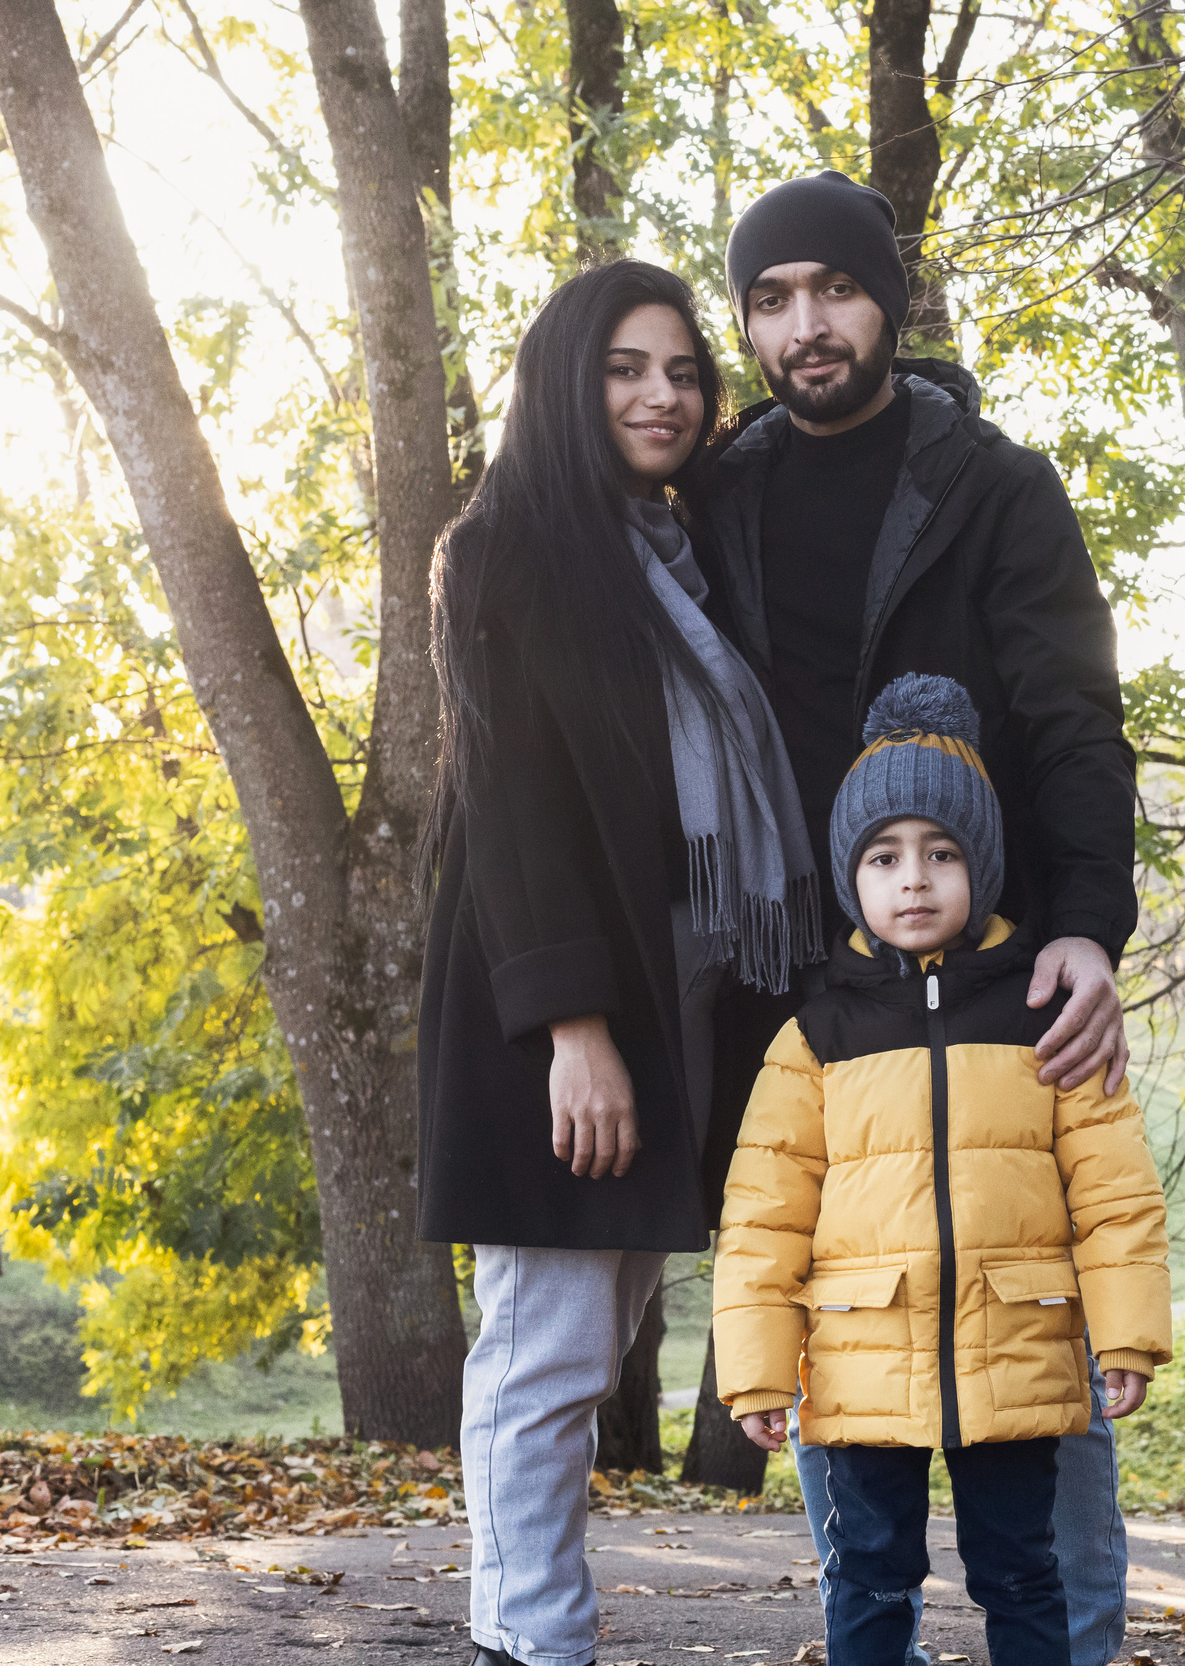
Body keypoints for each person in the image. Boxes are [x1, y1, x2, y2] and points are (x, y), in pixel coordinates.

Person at [692, 170, 1142, 1665]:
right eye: (771, 299)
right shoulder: (721, 492)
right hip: (803, 979)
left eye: (833, 289)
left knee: (1033, 1316)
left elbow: (1077, 713)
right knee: (847, 1348)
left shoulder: (995, 486)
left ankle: (1070, 1644)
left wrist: (1085, 921)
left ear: (889, 299)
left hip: (1000, 963)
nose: (805, 325)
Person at [419, 259, 822, 1666]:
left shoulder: (681, 559)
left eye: (684, 370)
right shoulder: (506, 550)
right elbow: (513, 803)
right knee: (548, 1351)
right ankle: (534, 1642)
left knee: (604, 1330)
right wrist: (572, 1028)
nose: (664, 395)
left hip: (685, 1004)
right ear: (566, 382)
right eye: (625, 368)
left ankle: (528, 1629)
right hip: (565, 1013)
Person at [711, 675, 1171, 1666]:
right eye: (884, 857)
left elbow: (1113, 1193)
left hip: (1017, 1348)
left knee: (1021, 1570)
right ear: (851, 877)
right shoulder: (817, 1037)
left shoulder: (1043, 1017)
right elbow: (763, 1216)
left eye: (941, 853)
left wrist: (1125, 1334)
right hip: (862, 1357)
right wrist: (753, 1370)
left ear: (983, 866)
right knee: (869, 1573)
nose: (912, 879)